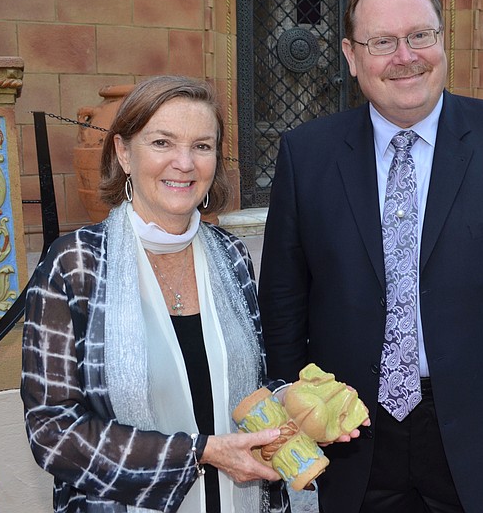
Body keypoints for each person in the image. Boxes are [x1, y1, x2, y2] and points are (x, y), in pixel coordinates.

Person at [258, 0, 483, 513]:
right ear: (350, 55)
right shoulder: (306, 154)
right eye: (382, 41)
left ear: (442, 41)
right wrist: (294, 420)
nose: (405, 56)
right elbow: (284, 302)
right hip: (353, 437)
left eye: (419, 36)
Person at [21, 76, 292, 512]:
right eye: (163, 142)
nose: (184, 163)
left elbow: (252, 387)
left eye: (202, 146)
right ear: (124, 153)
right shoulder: (75, 264)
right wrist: (198, 453)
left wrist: (294, 408)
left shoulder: (231, 256)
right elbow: (53, 433)